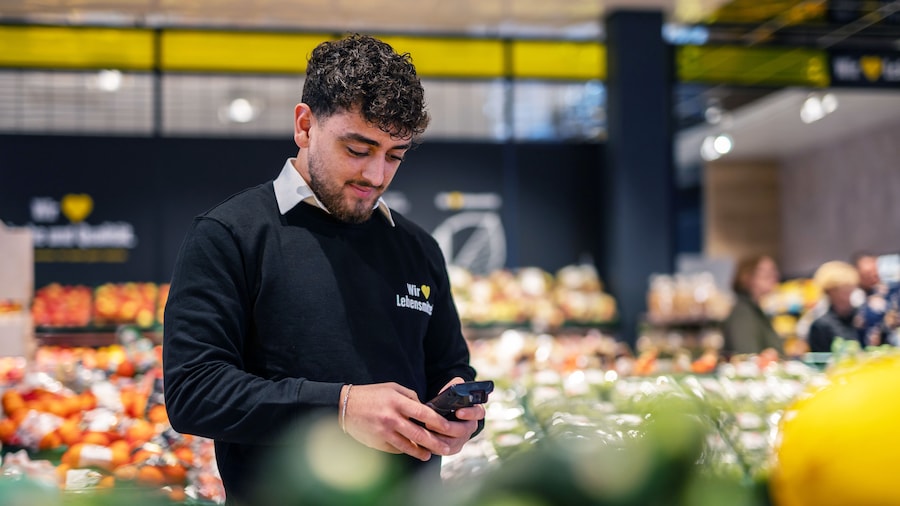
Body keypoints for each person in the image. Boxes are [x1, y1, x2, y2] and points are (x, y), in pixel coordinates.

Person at [162, 34, 485, 503]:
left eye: (395, 156)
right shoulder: (228, 235)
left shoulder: (418, 247)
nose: (376, 176)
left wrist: (462, 415)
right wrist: (341, 408)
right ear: (305, 125)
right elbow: (194, 392)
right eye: (358, 149)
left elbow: (448, 367)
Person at [721, 255, 783, 356]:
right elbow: (747, 355)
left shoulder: (755, 310)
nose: (774, 276)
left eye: (774, 271)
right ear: (747, 277)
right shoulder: (743, 313)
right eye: (767, 273)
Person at [807, 261, 860, 352]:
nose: (847, 295)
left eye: (849, 289)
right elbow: (821, 357)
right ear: (829, 292)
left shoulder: (861, 317)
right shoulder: (821, 325)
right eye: (842, 290)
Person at [852, 251, 900, 346]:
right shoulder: (851, 297)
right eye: (867, 273)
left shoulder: (889, 293)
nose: (873, 275)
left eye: (875, 271)